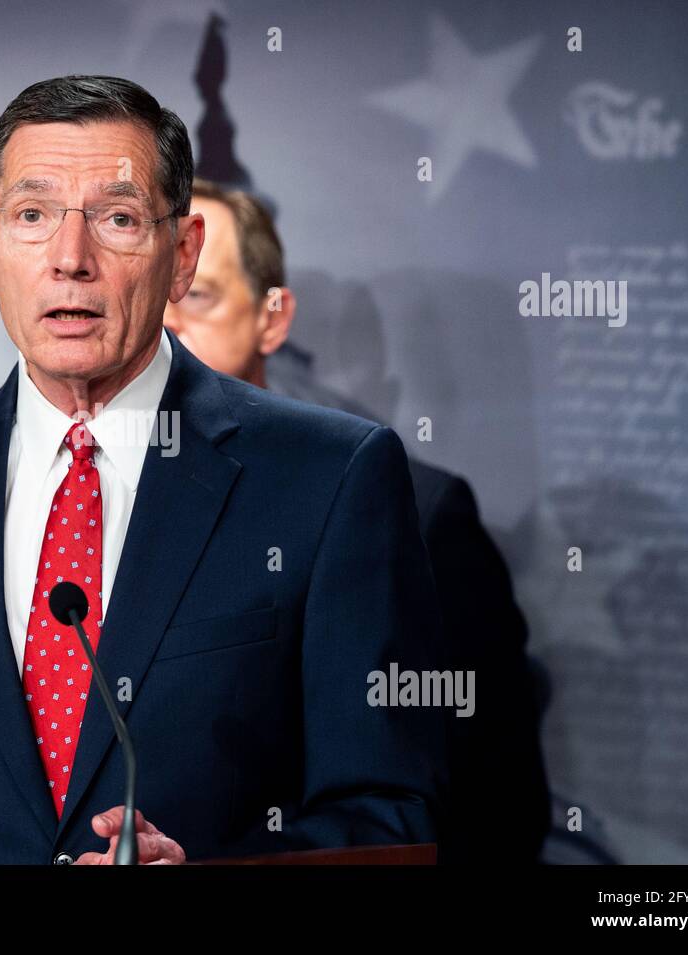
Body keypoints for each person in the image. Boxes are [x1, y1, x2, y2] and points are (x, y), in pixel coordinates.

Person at [0, 75, 446, 865]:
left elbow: (388, 817)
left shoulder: (330, 478)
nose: (71, 259)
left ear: (182, 256)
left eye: (119, 220)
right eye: (32, 216)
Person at [162, 178, 551, 863]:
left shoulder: (420, 513)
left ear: (273, 318)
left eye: (196, 295)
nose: (165, 323)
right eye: (148, 298)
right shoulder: (85, 506)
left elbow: (493, 806)